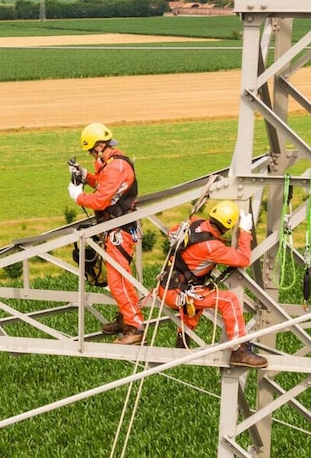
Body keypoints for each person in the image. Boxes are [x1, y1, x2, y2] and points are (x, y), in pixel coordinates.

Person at [155, 200, 267, 368]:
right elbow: (243, 259)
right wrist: (244, 232)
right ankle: (239, 349)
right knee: (228, 300)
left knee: (201, 294)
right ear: (228, 226)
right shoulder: (213, 247)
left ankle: (183, 339)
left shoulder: (195, 223)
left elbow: (172, 233)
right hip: (177, 293)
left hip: (169, 285)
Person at [68, 122, 145, 345]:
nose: (92, 154)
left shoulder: (115, 167)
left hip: (119, 229)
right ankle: (126, 317)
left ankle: (135, 326)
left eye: (92, 150)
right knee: (120, 278)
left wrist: (78, 196)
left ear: (101, 145)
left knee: (117, 279)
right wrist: (85, 176)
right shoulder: (110, 164)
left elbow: (101, 199)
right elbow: (104, 186)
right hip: (116, 227)